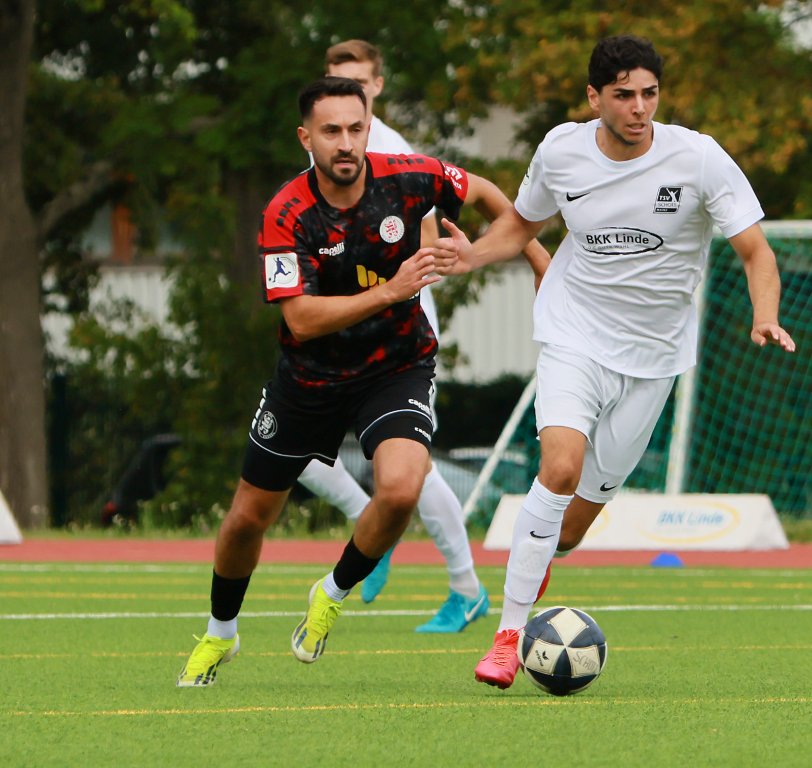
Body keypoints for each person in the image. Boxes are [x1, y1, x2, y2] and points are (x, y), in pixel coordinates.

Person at [430, 35, 797, 689]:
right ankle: (507, 637)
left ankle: (540, 558)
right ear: (594, 97)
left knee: (569, 531)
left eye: (649, 94)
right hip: (574, 335)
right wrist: (472, 255)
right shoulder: (561, 151)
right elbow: (521, 225)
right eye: (624, 95)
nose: (639, 108)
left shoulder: (698, 158)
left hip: (654, 360)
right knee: (559, 468)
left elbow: (755, 251)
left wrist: (764, 314)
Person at [177, 76, 545, 687]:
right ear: (306, 138)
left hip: (395, 367)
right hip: (308, 379)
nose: (345, 143)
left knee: (400, 489)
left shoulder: (408, 177)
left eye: (356, 128)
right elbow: (300, 318)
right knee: (246, 518)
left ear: (368, 128)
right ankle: (221, 634)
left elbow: (482, 192)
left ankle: (332, 592)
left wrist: (529, 256)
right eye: (331, 131)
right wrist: (392, 290)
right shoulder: (286, 213)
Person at [293, 39, 515, 632]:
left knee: (413, 468)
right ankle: (372, 524)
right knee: (297, 452)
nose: (348, 94)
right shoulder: (327, 141)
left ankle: (465, 587)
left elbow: (439, 231)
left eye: (359, 83)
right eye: (336, 79)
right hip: (344, 323)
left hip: (398, 327)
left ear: (378, 88)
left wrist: (524, 254)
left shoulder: (387, 148)